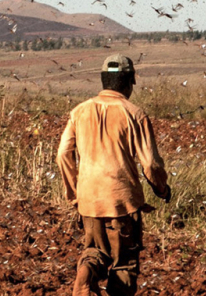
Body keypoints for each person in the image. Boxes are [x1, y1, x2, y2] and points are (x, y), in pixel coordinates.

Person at [56, 54, 171, 296]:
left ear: (103, 80)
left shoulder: (79, 111)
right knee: (124, 265)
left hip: (88, 200)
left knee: (95, 251)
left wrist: (74, 194)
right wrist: (161, 188)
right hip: (121, 201)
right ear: (130, 82)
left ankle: (86, 272)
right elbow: (150, 163)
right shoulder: (134, 113)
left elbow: (63, 155)